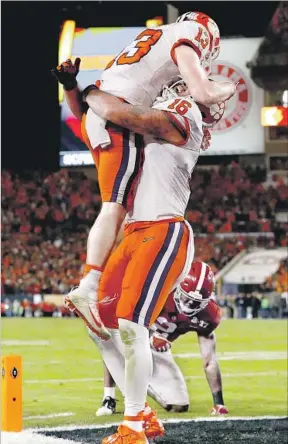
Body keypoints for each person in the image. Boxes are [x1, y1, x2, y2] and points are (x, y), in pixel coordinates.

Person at [52, 11, 236, 338]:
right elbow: (124, 114)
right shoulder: (184, 53)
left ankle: (96, 292)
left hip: (110, 133)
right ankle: (90, 286)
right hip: (149, 218)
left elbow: (120, 115)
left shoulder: (181, 119)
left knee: (115, 211)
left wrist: (84, 93)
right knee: (113, 207)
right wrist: (226, 86)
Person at [80, 79, 226, 443]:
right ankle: (141, 407)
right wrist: (72, 91)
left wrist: (90, 92)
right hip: (133, 232)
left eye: (177, 84)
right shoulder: (158, 119)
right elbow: (95, 121)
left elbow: (117, 112)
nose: (168, 88)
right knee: (98, 319)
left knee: (132, 325)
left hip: (164, 229)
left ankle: (132, 425)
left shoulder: (185, 113)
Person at [92, 261, 228, 418]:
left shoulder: (209, 315)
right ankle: (109, 397)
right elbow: (124, 324)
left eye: (196, 302)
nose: (189, 305)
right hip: (136, 337)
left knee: (178, 405)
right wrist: (150, 337)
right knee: (116, 340)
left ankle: (137, 383)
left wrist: (219, 403)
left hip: (160, 349)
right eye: (186, 298)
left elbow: (209, 360)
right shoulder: (159, 290)